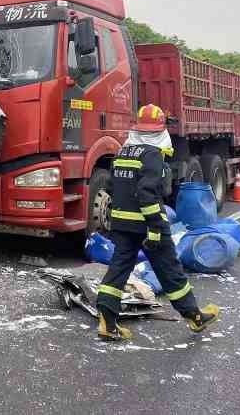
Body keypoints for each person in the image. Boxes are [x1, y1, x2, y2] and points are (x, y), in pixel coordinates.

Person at [96, 104, 219, 341]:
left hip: (122, 225)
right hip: (147, 225)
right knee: (170, 270)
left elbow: (111, 186)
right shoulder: (152, 155)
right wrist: (154, 227)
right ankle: (194, 317)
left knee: (118, 269)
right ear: (160, 130)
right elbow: (147, 193)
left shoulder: (122, 153)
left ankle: (107, 321)